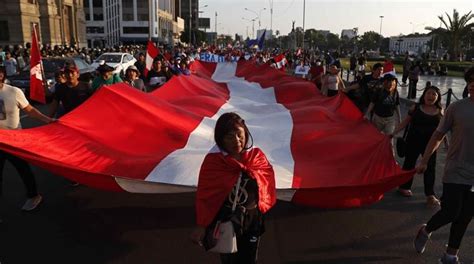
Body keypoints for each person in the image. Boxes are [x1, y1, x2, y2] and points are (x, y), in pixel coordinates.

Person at [190, 112, 276, 264]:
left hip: (251, 220)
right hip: (226, 221)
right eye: (230, 137)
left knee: (249, 259)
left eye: (239, 134)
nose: (237, 141)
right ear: (221, 139)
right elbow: (206, 196)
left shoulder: (256, 156)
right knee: (229, 259)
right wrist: (201, 225)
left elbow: (266, 180)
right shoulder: (214, 162)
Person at [413, 67, 474, 264]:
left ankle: (450, 255)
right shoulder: (456, 108)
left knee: (465, 216)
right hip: (456, 168)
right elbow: (438, 135)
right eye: (470, 80)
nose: (472, 83)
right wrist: (424, 160)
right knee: (451, 211)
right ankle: (426, 230)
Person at [0, 67, 55, 215]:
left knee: (23, 170)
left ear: (2, 74)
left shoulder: (13, 92)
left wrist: (48, 120)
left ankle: (34, 196)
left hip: (14, 140)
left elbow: (30, 110)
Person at [392, 86, 443, 207]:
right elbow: (406, 121)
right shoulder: (415, 107)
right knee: (409, 163)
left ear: (438, 97)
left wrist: (446, 142)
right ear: (424, 95)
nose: (431, 96)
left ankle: (430, 195)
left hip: (430, 144)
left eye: (434, 94)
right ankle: (404, 187)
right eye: (428, 93)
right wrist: (393, 133)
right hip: (413, 140)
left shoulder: (440, 111)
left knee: (430, 168)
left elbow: (442, 129)